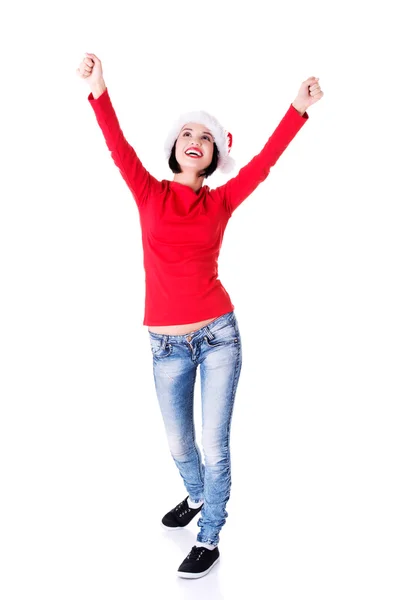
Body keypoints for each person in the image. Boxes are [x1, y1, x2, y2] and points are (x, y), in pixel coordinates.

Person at [76, 52, 324, 579]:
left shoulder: (221, 202)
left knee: (214, 443)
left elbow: (263, 164)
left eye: (206, 136)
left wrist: (297, 109)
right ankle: (194, 495)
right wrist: (100, 89)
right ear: (174, 148)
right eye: (187, 132)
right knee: (178, 443)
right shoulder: (148, 193)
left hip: (218, 337)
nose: (195, 139)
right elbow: (116, 145)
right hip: (165, 344)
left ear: (212, 155)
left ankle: (209, 535)